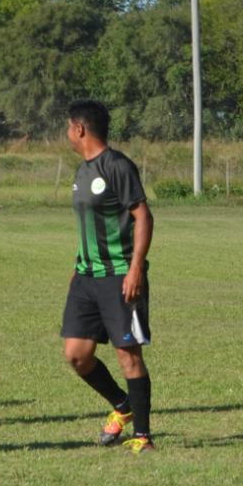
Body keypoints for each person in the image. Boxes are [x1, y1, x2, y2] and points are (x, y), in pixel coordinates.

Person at [61, 99, 156, 453]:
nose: (67, 134)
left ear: (80, 129)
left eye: (69, 127)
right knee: (76, 355)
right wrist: (77, 268)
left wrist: (135, 269)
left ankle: (143, 437)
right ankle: (122, 405)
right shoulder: (82, 171)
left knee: (127, 355)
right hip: (86, 276)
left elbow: (143, 217)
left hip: (119, 274)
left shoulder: (117, 166)